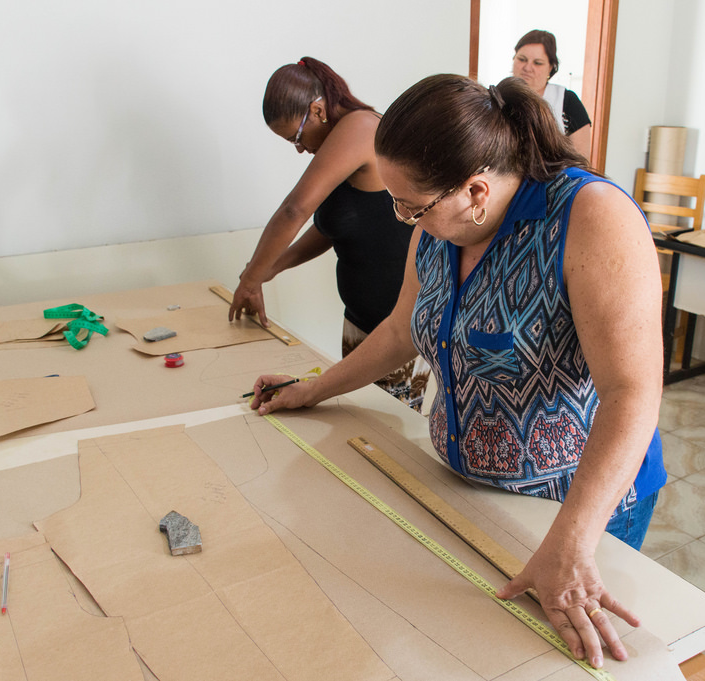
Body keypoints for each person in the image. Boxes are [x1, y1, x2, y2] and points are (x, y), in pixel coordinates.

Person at [249, 74, 665, 669]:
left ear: (474, 191)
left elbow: (633, 393)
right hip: (470, 491)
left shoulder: (589, 217)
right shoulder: (437, 228)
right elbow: (398, 331)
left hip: (573, 505)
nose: (401, 218)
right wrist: (311, 388)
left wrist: (571, 546)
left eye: (410, 205)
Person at [229, 57, 430, 411]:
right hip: (359, 319)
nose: (299, 148)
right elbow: (331, 228)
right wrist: (270, 268)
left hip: (394, 327)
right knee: (356, 424)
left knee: (385, 432)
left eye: (296, 135)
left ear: (318, 109)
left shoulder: (361, 127)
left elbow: (295, 209)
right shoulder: (338, 143)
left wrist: (250, 278)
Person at [512, 29, 592, 159]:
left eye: (537, 63)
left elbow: (581, 160)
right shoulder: (497, 98)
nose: (527, 68)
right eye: (522, 59)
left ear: (551, 67)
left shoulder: (567, 101)